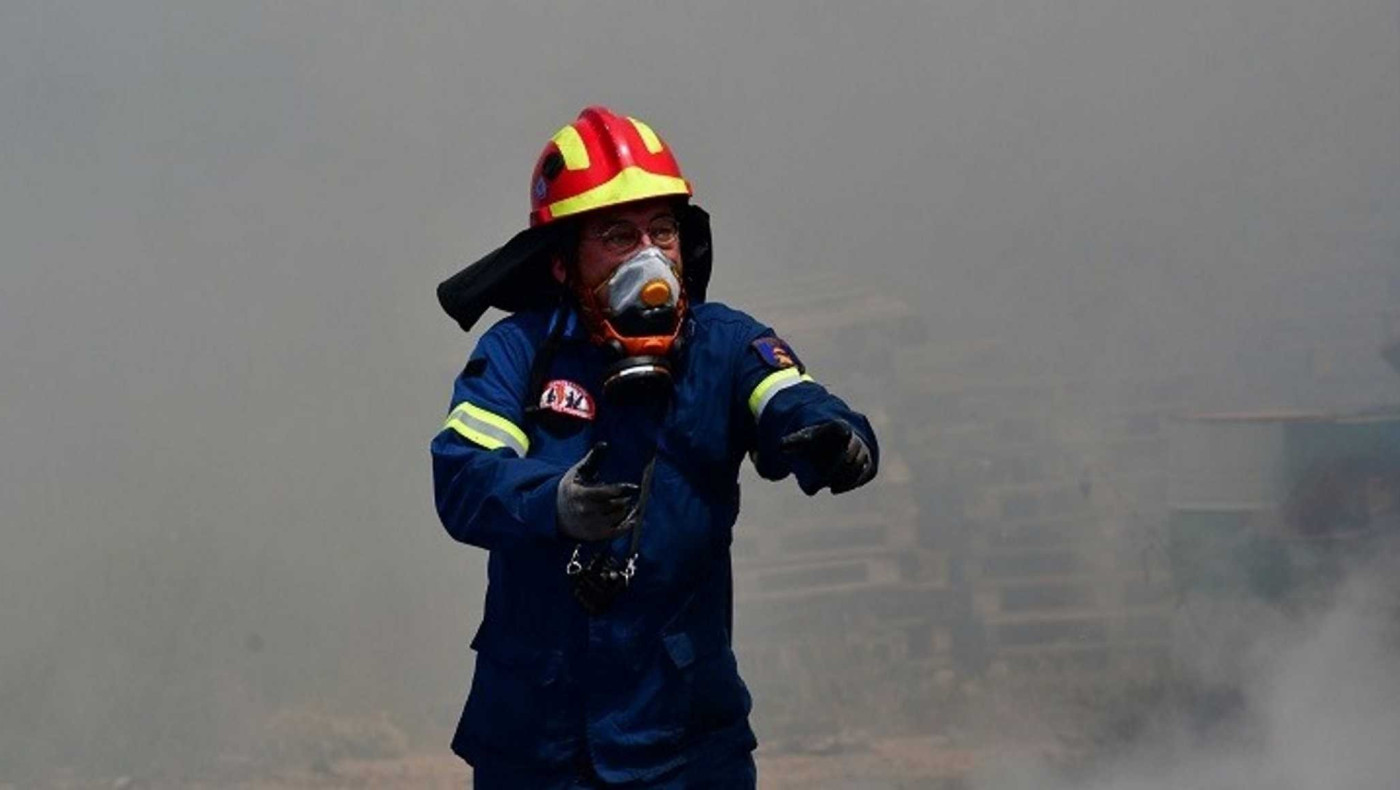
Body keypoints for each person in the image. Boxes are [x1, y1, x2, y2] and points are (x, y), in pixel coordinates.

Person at [431, 106, 878, 788]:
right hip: (537, 745)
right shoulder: (519, 352)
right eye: (617, 236)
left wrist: (834, 441)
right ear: (562, 264)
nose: (648, 256)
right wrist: (551, 504)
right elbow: (463, 478)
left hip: (684, 744)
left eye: (661, 230)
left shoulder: (726, 346)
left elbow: (794, 401)